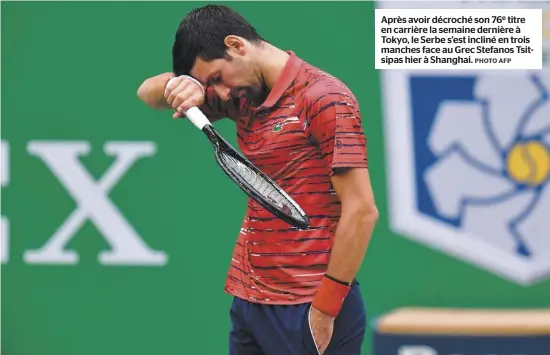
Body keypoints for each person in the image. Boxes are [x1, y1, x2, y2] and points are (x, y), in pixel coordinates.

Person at [137, 4, 378, 355]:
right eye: (209, 85)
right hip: (250, 299)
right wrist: (184, 85)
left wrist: (325, 309)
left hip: (309, 306)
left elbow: (362, 210)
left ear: (236, 46)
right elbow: (147, 93)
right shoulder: (239, 96)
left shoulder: (324, 98)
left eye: (216, 78)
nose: (217, 92)